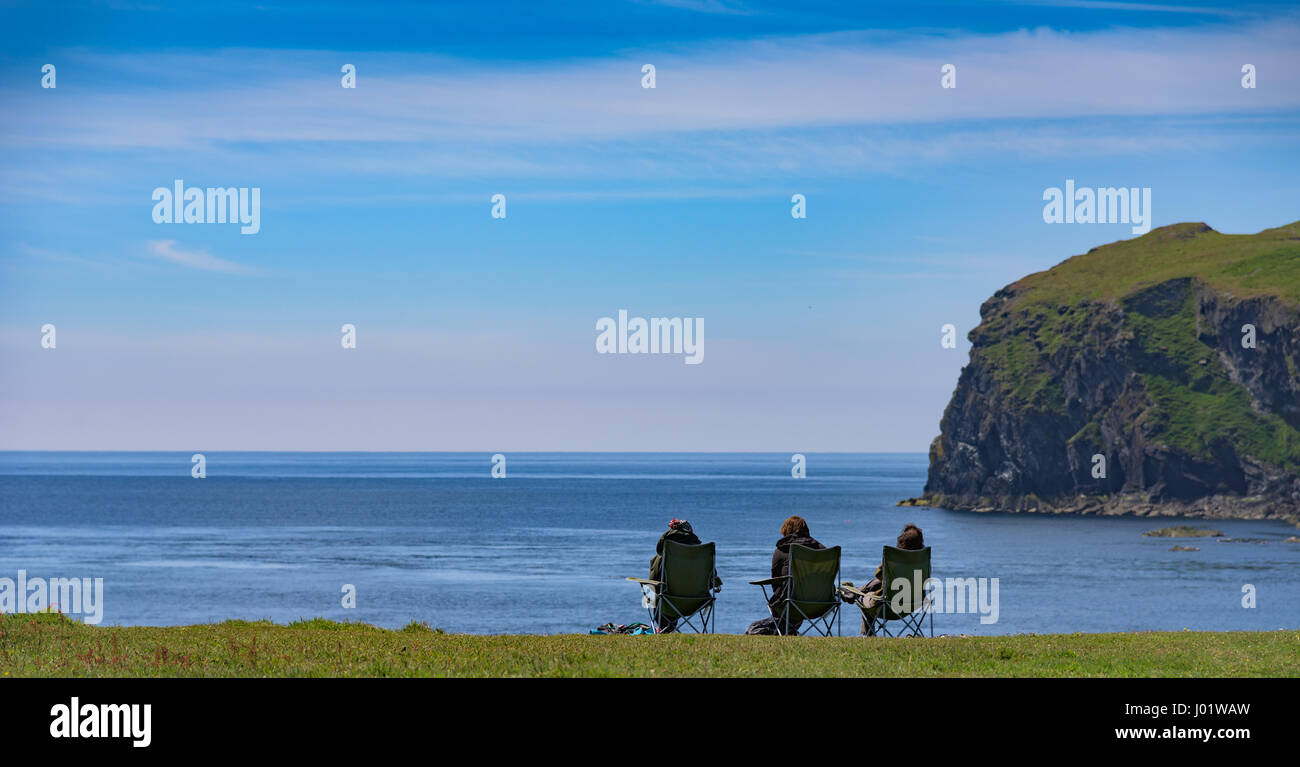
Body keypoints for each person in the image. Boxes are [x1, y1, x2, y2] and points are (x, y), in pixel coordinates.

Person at [745, 515, 825, 635]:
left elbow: (775, 581)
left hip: (791, 603)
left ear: (785, 531)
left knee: (753, 628)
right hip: (822, 603)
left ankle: (784, 629)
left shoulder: (781, 550)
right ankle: (789, 629)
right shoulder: (822, 550)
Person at [841, 523, 925, 635]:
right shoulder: (923, 560)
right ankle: (857, 591)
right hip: (912, 605)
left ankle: (868, 632)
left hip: (888, 606)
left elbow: (878, 574)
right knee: (878, 583)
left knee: (866, 595)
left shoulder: (894, 557)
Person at [647, 518, 721, 633]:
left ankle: (664, 628)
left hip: (669, 602)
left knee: (651, 591)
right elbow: (712, 578)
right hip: (699, 602)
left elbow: (653, 581)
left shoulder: (662, 557)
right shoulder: (703, 555)